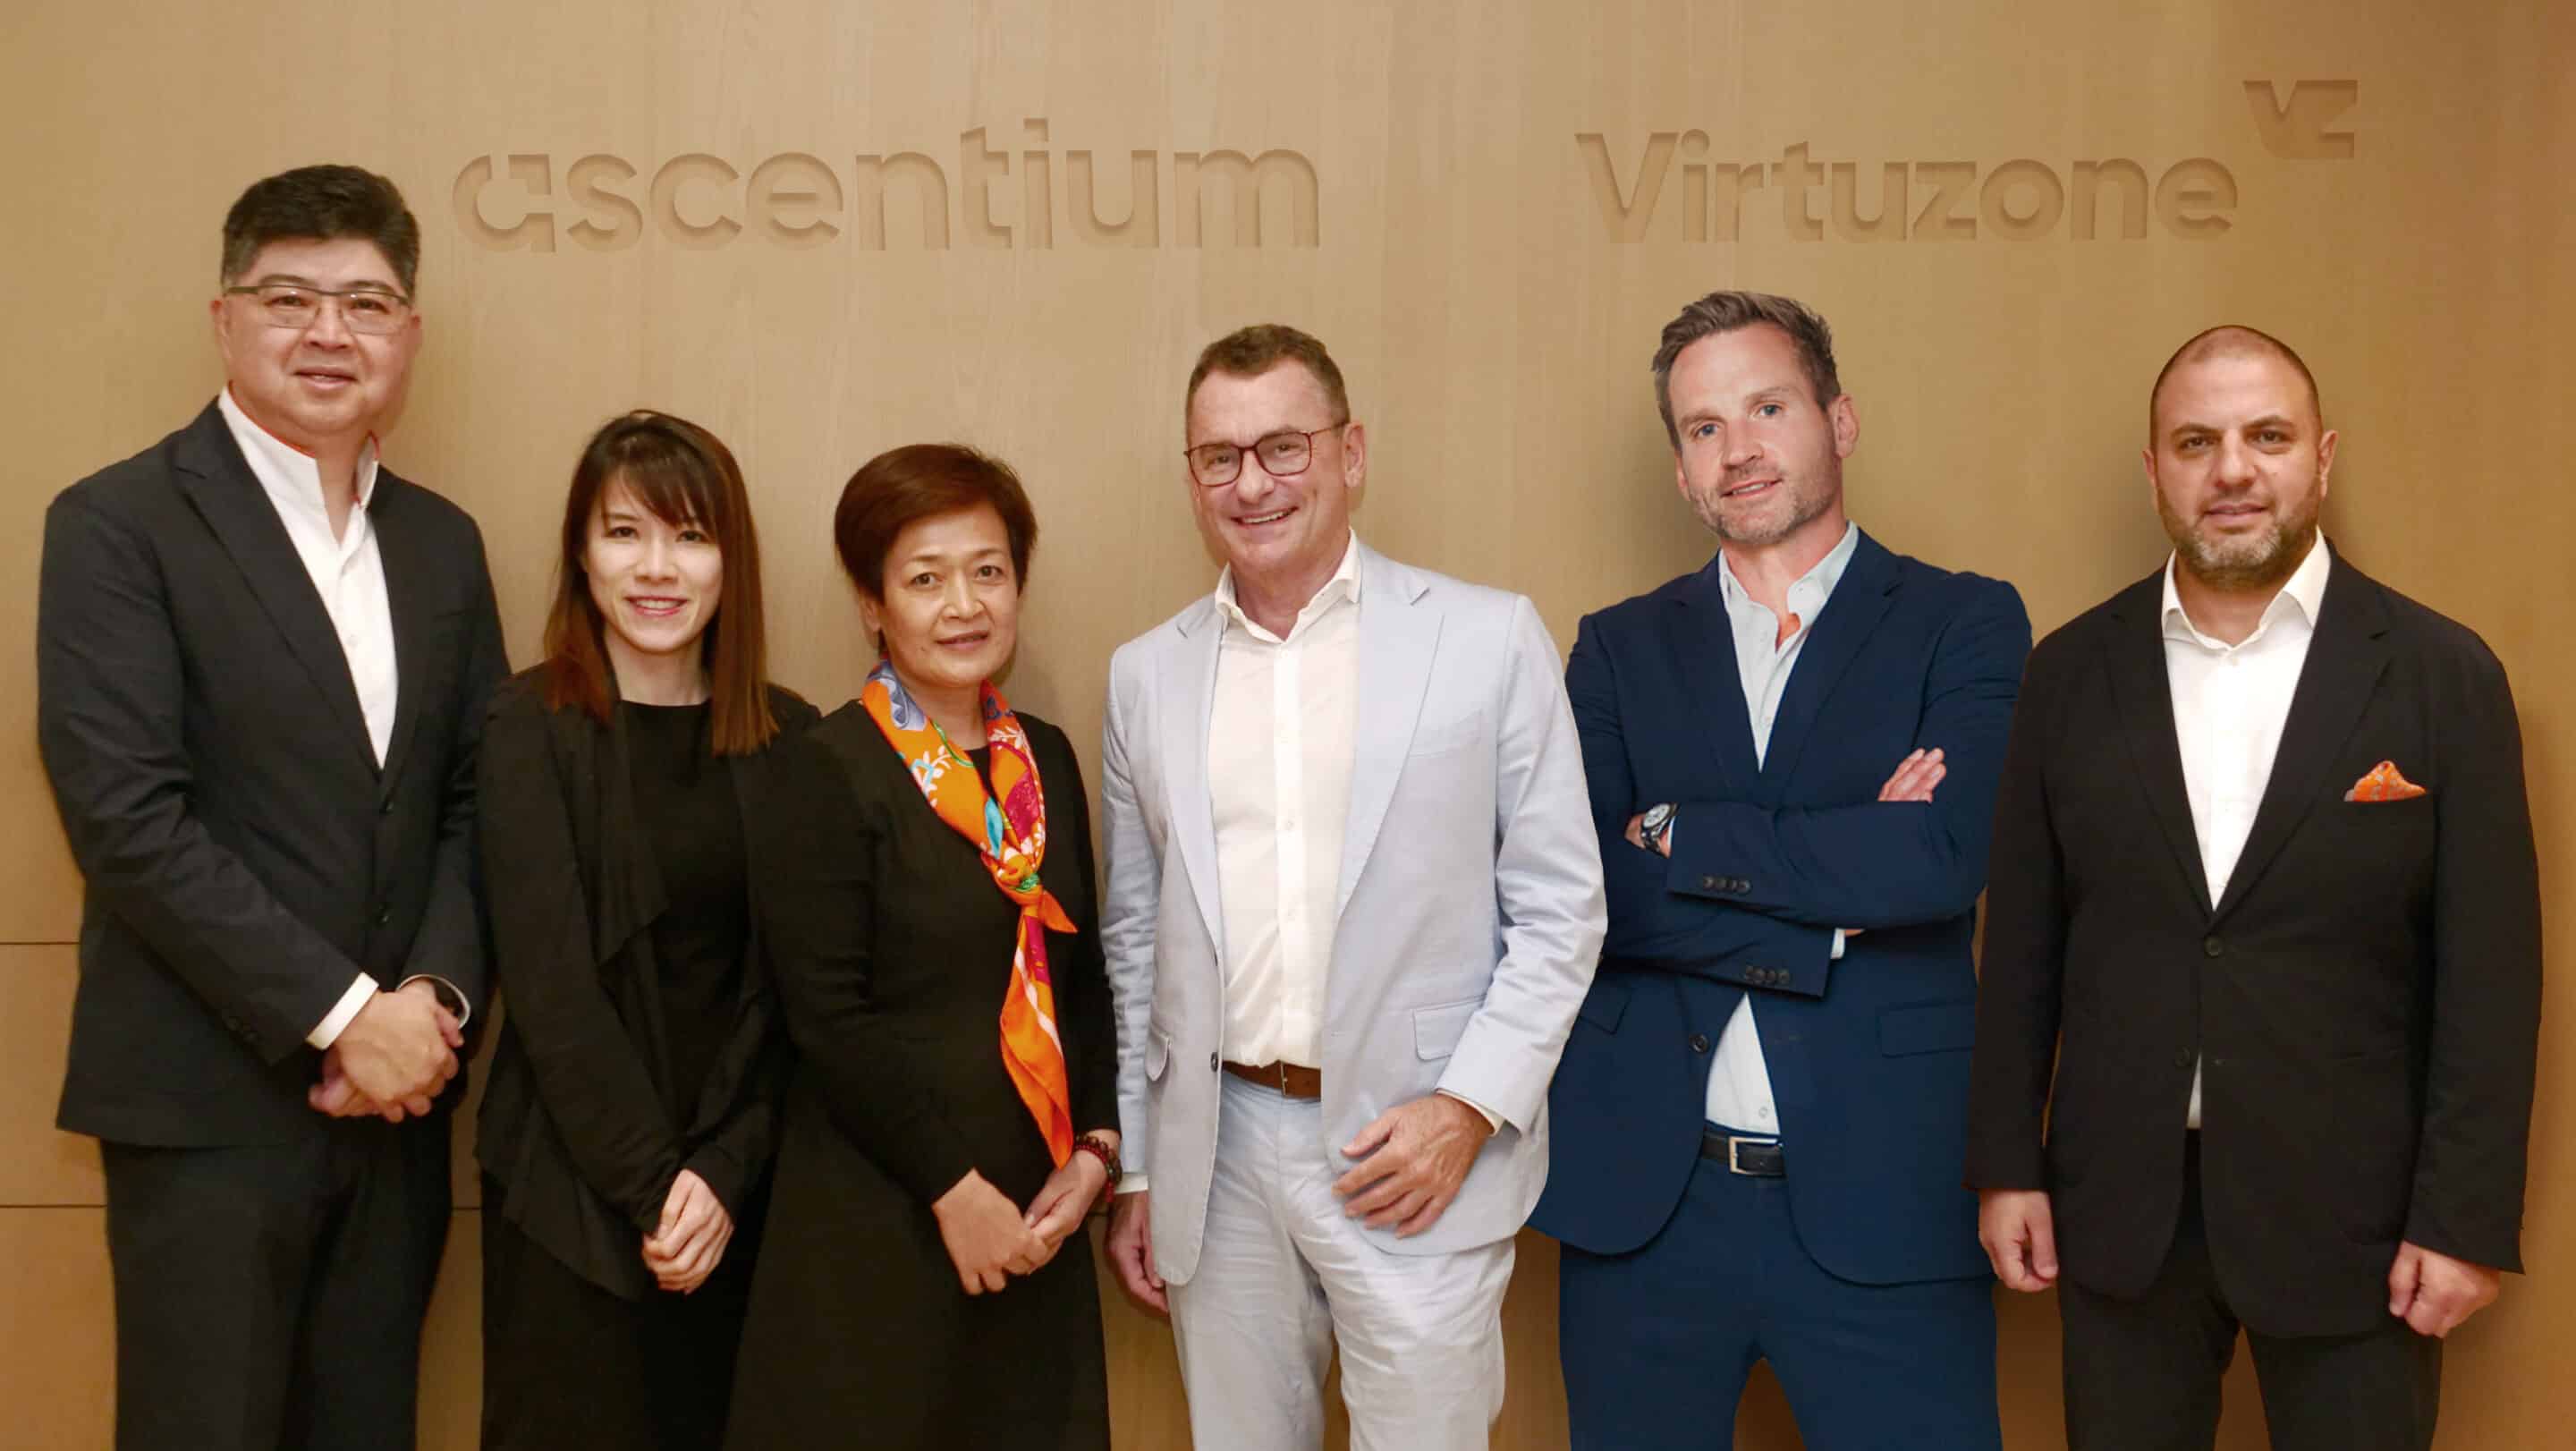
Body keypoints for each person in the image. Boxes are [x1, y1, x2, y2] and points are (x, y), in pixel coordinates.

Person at [1966, 326, 2542, 1451]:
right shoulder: (2069, 672)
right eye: (2197, 442)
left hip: (2363, 1226)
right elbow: (2024, 943)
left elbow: (2491, 976)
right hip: (2121, 1210)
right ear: (2155, 470)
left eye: (2266, 436)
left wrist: (2466, 1219)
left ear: (2321, 457)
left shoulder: (2442, 674)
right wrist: (2005, 1167)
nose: (2231, 469)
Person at [35, 163, 507, 1449]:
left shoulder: (444, 543)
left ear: (409, 333)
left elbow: (478, 801)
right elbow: (126, 817)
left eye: (366, 302)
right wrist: (349, 1016)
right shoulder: (118, 524)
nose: (328, 332)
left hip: (401, 1116)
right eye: (289, 297)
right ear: (225, 317)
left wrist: (431, 1008)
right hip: (206, 1110)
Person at [1529, 291, 2029, 1448]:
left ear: (1838, 420)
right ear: (1680, 470)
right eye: (1704, 427)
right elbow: (1588, 893)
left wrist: (1681, 834)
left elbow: (1939, 857)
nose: (1738, 448)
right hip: (1647, 1206)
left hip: (1888, 1195)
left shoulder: (1963, 621)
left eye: (1768, 408)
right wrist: (1838, 893)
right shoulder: (1617, 645)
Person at [1099, 323, 1606, 1451]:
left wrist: (1468, 1106)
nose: (1253, 483)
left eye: (1283, 446)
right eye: (1220, 456)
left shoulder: (1486, 639)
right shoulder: (1146, 675)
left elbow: (1562, 907)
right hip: (1217, 1153)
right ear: (1193, 476)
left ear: (1351, 452)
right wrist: (1140, 1161)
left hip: (1416, 1147)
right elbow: (1136, 939)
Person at [723, 444, 1120, 1449]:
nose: (964, 605)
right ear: (872, 603)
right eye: (925, 579)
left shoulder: (1045, 758)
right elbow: (827, 1017)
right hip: (882, 1216)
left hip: (1036, 1214)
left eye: (988, 571)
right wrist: (953, 1189)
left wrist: (1096, 1152)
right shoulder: (824, 766)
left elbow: (1081, 976)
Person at [473, 411, 814, 1448]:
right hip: (569, 1195)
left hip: (745, 1200)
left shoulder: (793, 738)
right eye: (625, 533)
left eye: (691, 536)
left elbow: (798, 997)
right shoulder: (526, 726)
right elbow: (551, 991)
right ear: (582, 553)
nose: (658, 567)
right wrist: (658, 1188)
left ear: (730, 561)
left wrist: (722, 1172)